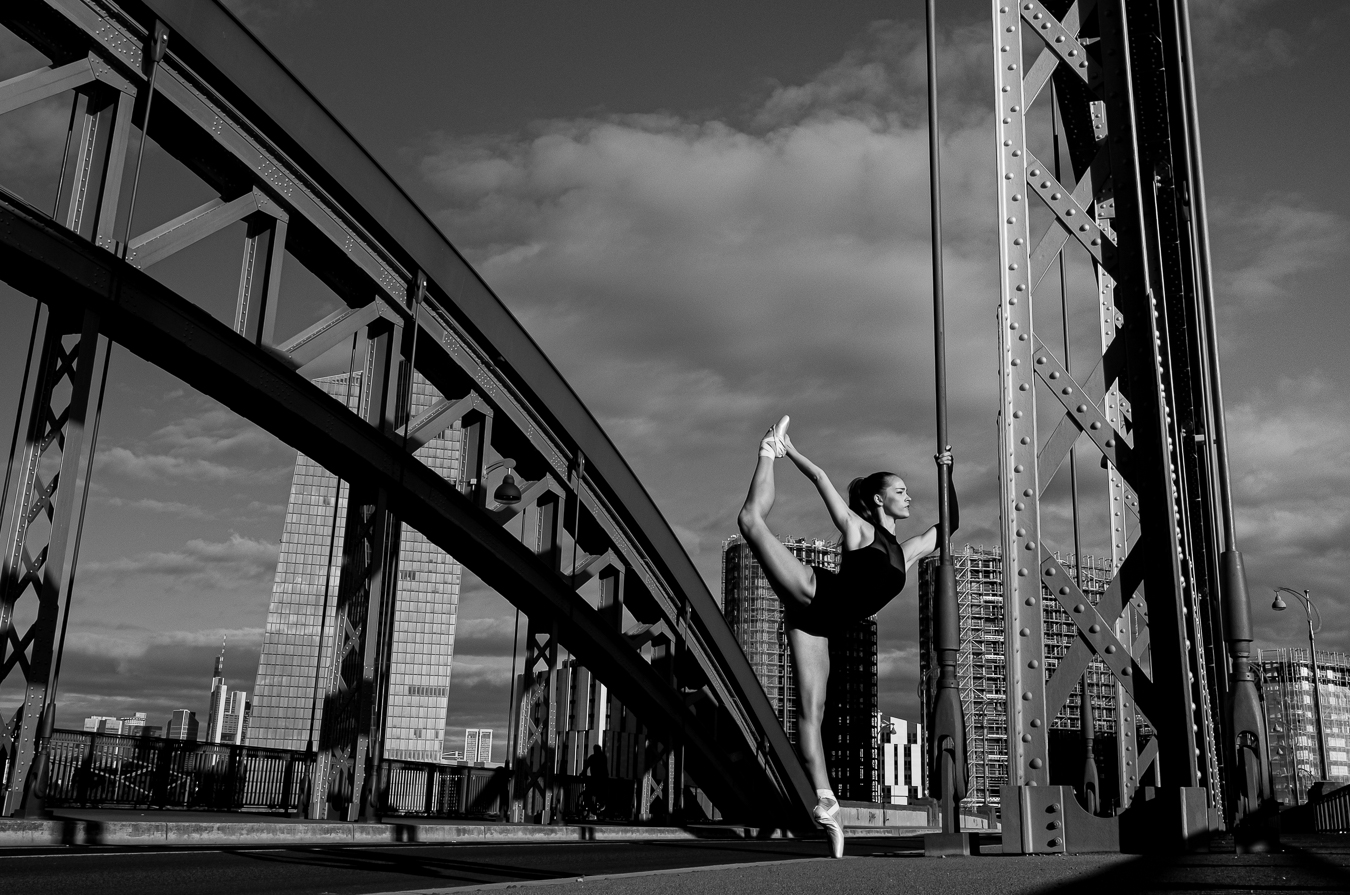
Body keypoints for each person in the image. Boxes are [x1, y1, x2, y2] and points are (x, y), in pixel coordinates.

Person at [736, 415, 956, 858]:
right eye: (900, 491)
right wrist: (788, 449)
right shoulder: (859, 530)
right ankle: (766, 450)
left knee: (810, 715)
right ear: (878, 500)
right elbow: (820, 478)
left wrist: (948, 472)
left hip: (821, 626)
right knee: (750, 521)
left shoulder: (905, 552)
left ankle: (827, 804)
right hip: (814, 593)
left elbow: (947, 528)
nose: (908, 496)